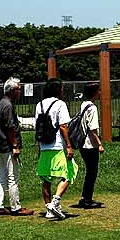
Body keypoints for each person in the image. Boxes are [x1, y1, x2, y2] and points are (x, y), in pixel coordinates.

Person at [35, 79, 77, 220]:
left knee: (46, 179)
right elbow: (63, 126)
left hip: (44, 146)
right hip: (57, 145)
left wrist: (38, 148)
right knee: (70, 172)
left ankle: (48, 210)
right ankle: (55, 201)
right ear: (58, 90)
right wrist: (69, 146)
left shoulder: (39, 105)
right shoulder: (60, 104)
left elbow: (38, 128)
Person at [0, 78, 33, 216]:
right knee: (13, 177)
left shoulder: (1, 103)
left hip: (1, 146)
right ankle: (16, 207)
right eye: (18, 89)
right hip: (9, 146)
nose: (20, 92)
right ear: (11, 90)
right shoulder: (8, 105)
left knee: (3, 176)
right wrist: (15, 145)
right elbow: (10, 127)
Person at [74, 83, 105, 210]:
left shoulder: (84, 105)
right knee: (92, 172)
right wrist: (100, 144)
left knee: (89, 171)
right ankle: (87, 199)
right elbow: (93, 129)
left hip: (82, 143)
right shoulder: (92, 108)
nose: (100, 93)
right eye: (99, 90)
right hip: (89, 144)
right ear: (94, 92)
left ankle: (85, 197)